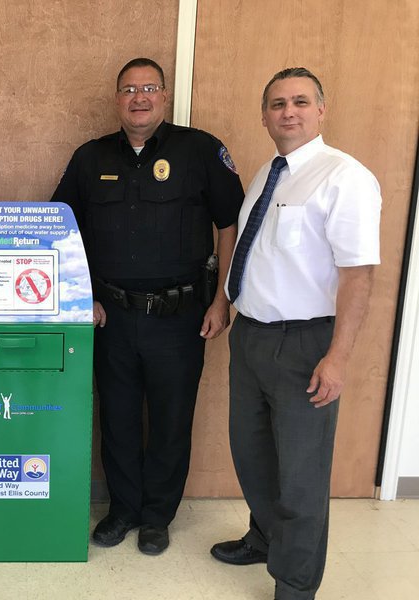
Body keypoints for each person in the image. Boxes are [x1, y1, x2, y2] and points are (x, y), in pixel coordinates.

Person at [51, 58, 244, 554]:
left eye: (149, 88)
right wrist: (83, 295)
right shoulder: (90, 158)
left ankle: (157, 516)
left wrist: (222, 299)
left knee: (171, 419)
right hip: (111, 317)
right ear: (117, 99)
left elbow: (230, 226)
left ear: (165, 96)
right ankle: (123, 510)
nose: (139, 97)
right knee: (115, 418)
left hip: (180, 318)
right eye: (129, 89)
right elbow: (59, 228)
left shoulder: (201, 150)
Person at [210, 68, 381, 600]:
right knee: (252, 453)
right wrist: (226, 305)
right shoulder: (267, 173)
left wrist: (338, 358)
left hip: (306, 344)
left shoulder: (344, 177)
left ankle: (296, 583)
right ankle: (265, 538)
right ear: (264, 116)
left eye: (301, 102)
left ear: (321, 110)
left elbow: (358, 275)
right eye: (278, 103)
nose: (289, 111)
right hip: (253, 337)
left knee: (302, 475)